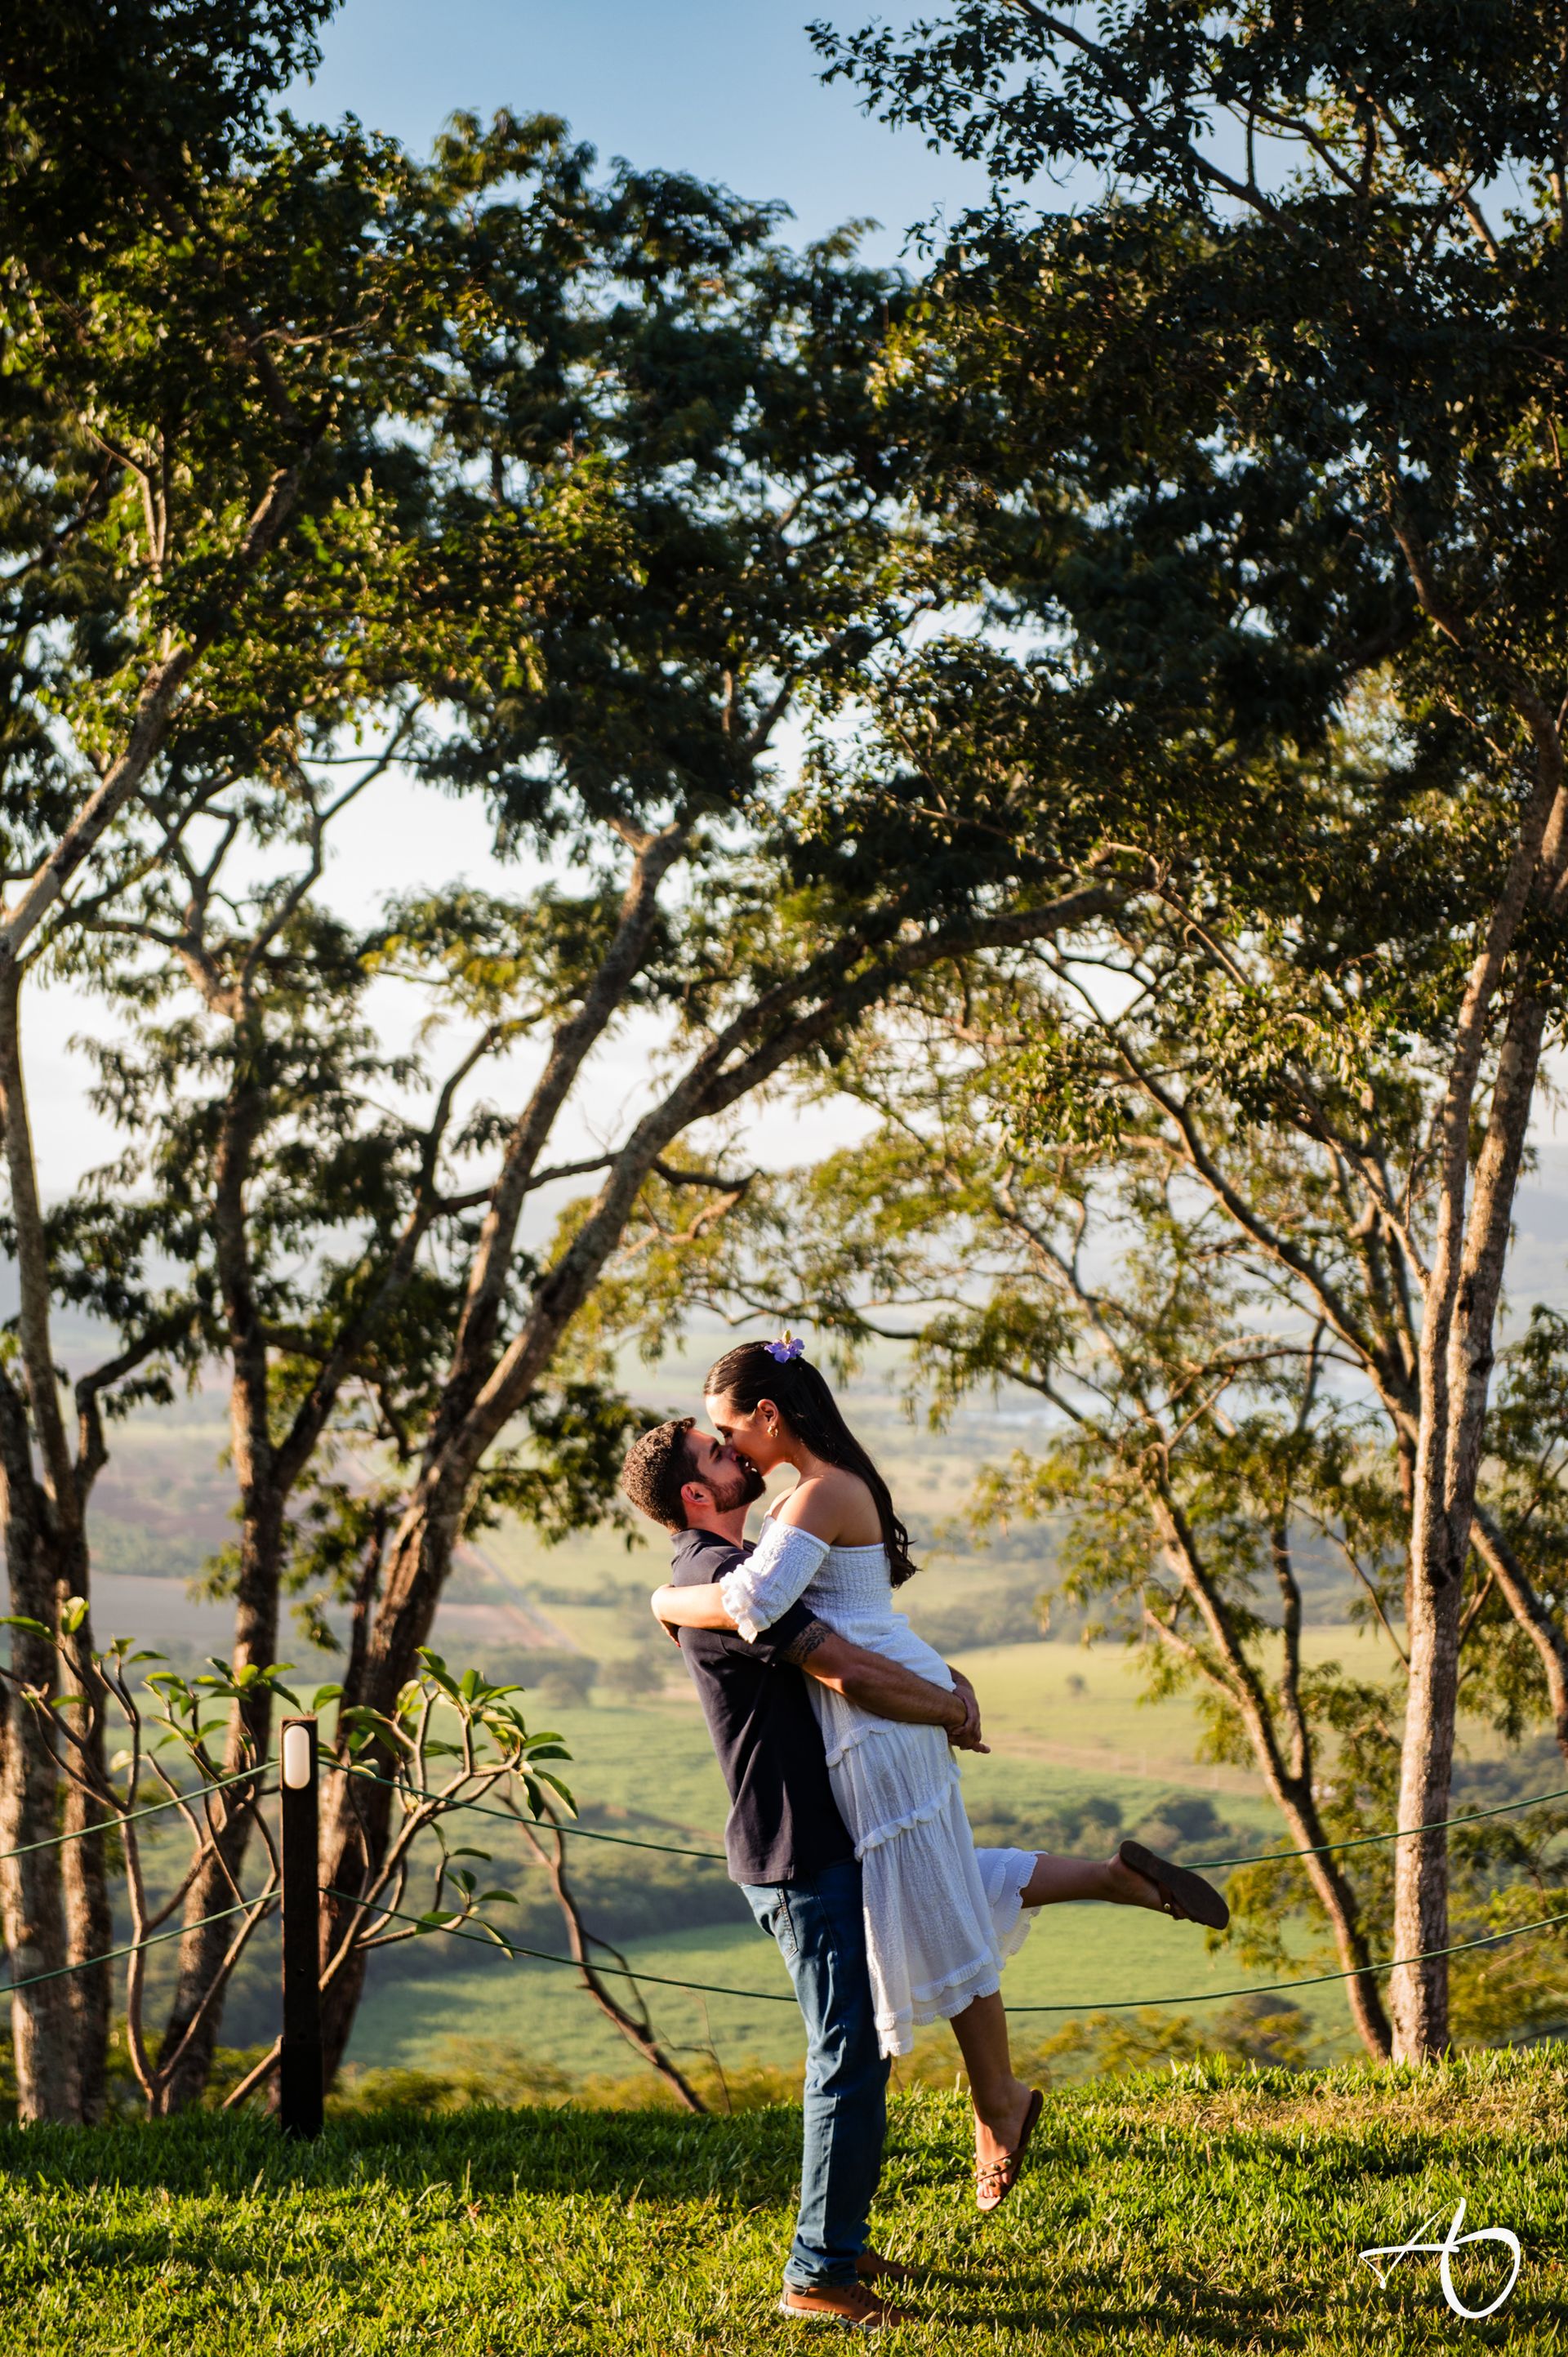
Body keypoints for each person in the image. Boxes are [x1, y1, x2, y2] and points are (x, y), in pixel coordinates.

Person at [648, 1336, 1231, 2214]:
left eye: (732, 1431)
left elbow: (763, 1608)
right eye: (719, 1447)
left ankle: (998, 2101)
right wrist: (940, 1685)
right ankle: (1109, 1887)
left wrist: (659, 1601)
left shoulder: (820, 1491)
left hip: (877, 1729)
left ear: (770, 1415)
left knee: (934, 1902)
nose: (733, 1450)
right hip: (883, 1721)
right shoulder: (819, 1491)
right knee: (942, 1881)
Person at [620, 1414, 982, 2328]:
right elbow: (847, 1667)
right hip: (794, 1850)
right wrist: (949, 1709)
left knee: (861, 2049)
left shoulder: (730, 1574)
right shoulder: (714, 1576)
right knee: (845, 2055)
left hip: (817, 1839)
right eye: (718, 1452)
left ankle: (843, 2242)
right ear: (698, 1496)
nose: (736, 1454)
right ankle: (817, 2275)